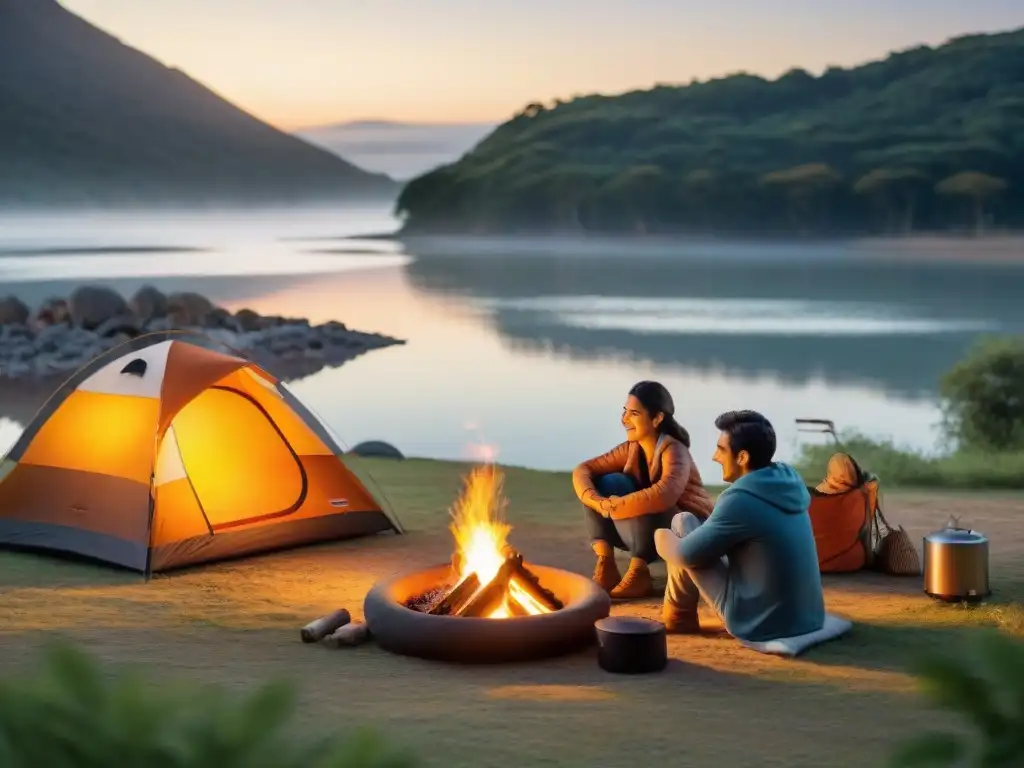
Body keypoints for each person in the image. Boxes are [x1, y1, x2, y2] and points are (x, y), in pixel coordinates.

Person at [654, 410, 825, 641]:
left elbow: (685, 555)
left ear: (742, 457)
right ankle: (678, 616)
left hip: (757, 622)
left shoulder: (740, 499)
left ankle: (678, 616)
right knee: (688, 526)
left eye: (721, 450)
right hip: (809, 618)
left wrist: (660, 536)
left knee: (681, 525)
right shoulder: (787, 481)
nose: (715, 457)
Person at [573, 381, 714, 600]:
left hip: (686, 530)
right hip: (645, 532)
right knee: (604, 482)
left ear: (657, 418)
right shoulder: (632, 448)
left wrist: (615, 507)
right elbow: (584, 470)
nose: (625, 419)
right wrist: (595, 501)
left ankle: (639, 572)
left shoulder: (674, 451)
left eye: (634, 413)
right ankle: (606, 564)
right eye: (625, 412)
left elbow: (664, 494)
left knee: (649, 500)